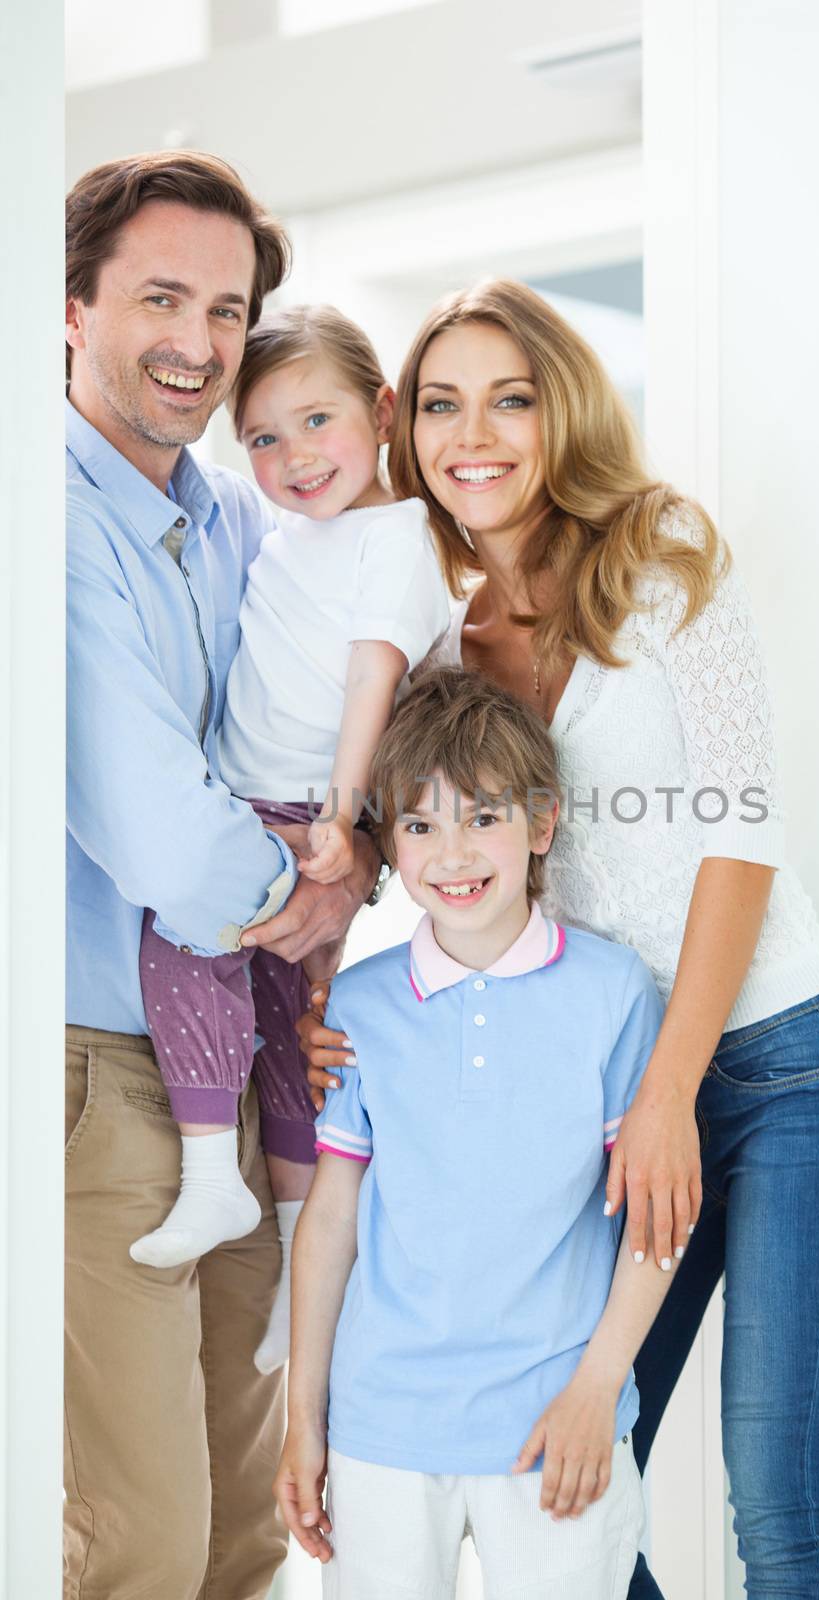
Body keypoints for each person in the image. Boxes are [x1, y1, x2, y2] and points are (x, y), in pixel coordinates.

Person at [300, 279, 819, 1599]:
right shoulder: (429, 647)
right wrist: (317, 996)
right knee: (565, 1468)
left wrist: (669, 1095)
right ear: (411, 433)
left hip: (793, 1067)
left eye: (510, 398)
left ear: (559, 410)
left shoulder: (657, 552)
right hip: (611, 1091)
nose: (478, 434)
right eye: (446, 404)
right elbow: (402, 851)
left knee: (780, 1501)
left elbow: (739, 833)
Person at [65, 153, 380, 1600]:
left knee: (254, 1536)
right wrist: (319, 887)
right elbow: (168, 837)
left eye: (226, 308)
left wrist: (366, 837)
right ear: (74, 306)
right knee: (142, 1542)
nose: (197, 342)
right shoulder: (45, 520)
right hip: (95, 1080)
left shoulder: (239, 512)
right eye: (159, 298)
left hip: (241, 1065)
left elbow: (321, 713)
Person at [278, 668, 677, 1599]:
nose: (452, 853)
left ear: (540, 826)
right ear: (390, 845)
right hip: (381, 1429)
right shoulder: (361, 1008)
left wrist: (596, 1392)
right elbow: (330, 1226)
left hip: (556, 1430)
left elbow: (656, 1223)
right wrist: (304, 1420)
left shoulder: (614, 995)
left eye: (482, 817)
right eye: (418, 825)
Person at [132, 304, 450, 1374]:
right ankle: (290, 1262)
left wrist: (341, 812)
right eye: (262, 437)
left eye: (317, 421)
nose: (293, 455)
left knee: (186, 940)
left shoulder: (397, 539)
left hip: (296, 813)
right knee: (288, 1033)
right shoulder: (286, 534)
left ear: (381, 411)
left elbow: (377, 674)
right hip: (259, 799)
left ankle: (216, 1174)